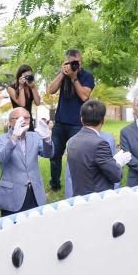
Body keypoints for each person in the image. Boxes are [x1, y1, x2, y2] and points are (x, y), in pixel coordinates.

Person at [46, 48, 95, 191]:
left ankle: (76, 183)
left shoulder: (87, 76)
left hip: (77, 123)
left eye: (78, 62)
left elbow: (85, 97)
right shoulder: (64, 74)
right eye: (72, 63)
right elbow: (51, 90)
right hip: (60, 122)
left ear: (82, 61)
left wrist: (74, 78)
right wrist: (62, 73)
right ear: (66, 62)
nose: (76, 65)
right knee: (54, 154)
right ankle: (55, 184)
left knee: (75, 156)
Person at [0, 107, 53, 216]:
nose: (24, 121)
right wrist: (14, 137)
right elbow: (2, 157)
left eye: (27, 118)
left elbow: (48, 154)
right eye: (19, 118)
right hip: (12, 195)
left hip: (34, 192)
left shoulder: (34, 136)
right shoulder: (1, 139)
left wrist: (47, 139)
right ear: (11, 122)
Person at [66, 99, 131, 197]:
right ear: (103, 120)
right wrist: (118, 163)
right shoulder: (100, 144)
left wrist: (111, 162)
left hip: (79, 198)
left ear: (81, 119)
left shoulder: (72, 141)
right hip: (97, 200)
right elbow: (116, 176)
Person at [6, 64, 42, 130]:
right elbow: (22, 105)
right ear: (20, 76)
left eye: (30, 75)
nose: (28, 78)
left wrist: (33, 88)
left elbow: (38, 103)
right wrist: (21, 87)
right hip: (17, 121)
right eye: (26, 76)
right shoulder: (11, 88)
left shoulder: (31, 87)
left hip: (28, 120)